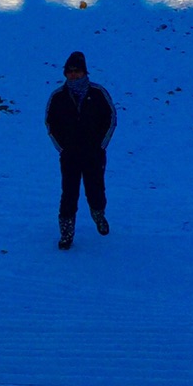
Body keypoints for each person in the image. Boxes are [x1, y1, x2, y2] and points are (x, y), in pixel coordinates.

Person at [45, 51, 116, 249]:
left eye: (77, 71)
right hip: (69, 156)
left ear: (85, 72)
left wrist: (101, 145)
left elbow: (111, 119)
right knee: (68, 194)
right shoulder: (58, 97)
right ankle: (66, 233)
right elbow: (50, 124)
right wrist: (62, 148)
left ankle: (98, 214)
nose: (73, 75)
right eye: (70, 72)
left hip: (94, 154)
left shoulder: (98, 93)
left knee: (95, 191)